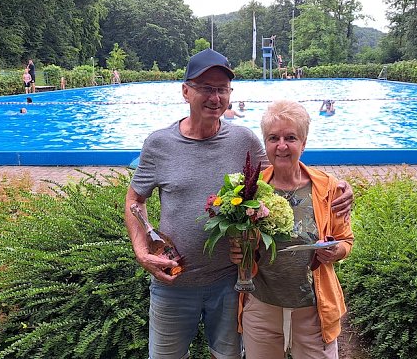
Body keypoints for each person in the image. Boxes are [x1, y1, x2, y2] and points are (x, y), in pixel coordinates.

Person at [124, 48, 354, 359]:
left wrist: (339, 187)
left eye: (222, 89)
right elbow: (135, 199)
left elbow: (283, 169)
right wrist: (141, 252)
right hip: (173, 285)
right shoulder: (159, 144)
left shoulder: (244, 142)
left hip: (231, 285)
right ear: (185, 91)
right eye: (206, 88)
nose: (214, 97)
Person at [231, 100, 353, 358]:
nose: (282, 145)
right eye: (273, 138)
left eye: (291, 137)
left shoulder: (327, 187)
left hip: (313, 309)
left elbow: (346, 240)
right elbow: (239, 239)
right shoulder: (250, 190)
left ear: (304, 143)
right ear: (266, 143)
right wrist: (238, 250)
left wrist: (335, 251)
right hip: (262, 307)